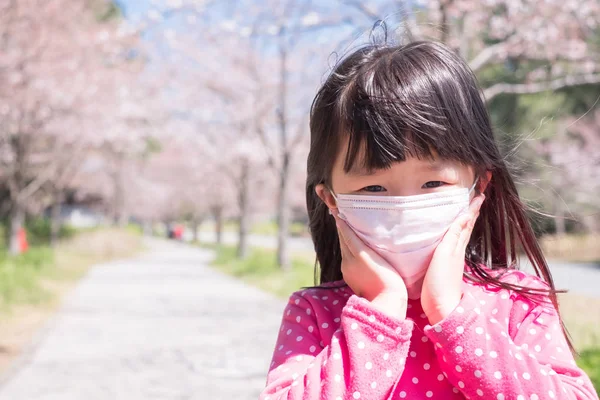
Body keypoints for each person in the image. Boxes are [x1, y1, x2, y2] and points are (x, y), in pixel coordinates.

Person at [260, 40, 598, 399]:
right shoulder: (314, 314)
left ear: (478, 186)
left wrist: (453, 315)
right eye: (373, 187)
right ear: (331, 200)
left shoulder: (519, 303)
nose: (405, 205)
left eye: (433, 182)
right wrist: (380, 315)